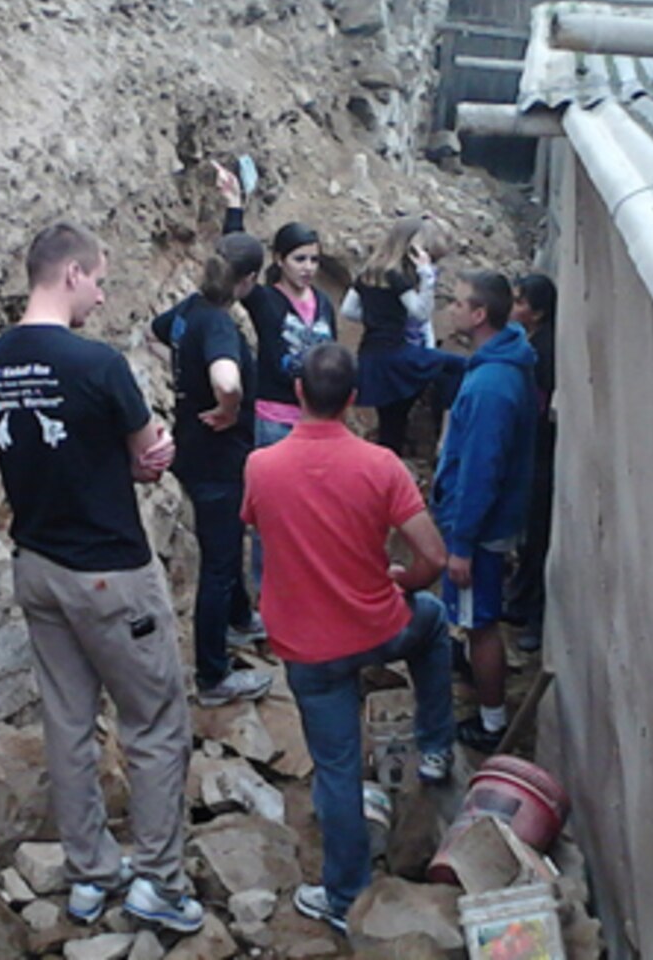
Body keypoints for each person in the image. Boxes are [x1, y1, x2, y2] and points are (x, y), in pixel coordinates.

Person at [0, 223, 205, 933]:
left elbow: (47, 455)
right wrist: (150, 459)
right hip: (108, 570)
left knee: (69, 724)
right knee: (156, 723)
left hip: (36, 565)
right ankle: (160, 883)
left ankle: (89, 877)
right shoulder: (98, 364)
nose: (102, 296)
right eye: (99, 279)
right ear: (69, 273)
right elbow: (147, 454)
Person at [241, 343, 455, 933]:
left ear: (300, 395)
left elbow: (257, 524)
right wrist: (403, 580)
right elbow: (432, 555)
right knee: (432, 623)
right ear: (354, 400)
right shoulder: (382, 465)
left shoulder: (262, 466)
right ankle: (435, 745)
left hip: (307, 646)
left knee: (335, 769)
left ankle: (344, 897)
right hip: (378, 627)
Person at [151, 232, 276, 707]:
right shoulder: (220, 325)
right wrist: (228, 405)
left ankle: (241, 621)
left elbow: (156, 332)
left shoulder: (188, 309)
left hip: (193, 450)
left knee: (229, 541)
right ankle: (212, 676)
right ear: (248, 280)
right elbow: (227, 378)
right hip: (218, 459)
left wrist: (186, 375)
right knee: (220, 563)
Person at [214, 161, 338, 602]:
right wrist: (234, 208)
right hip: (272, 418)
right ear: (281, 260)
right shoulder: (265, 301)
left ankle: (306, 591)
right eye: (300, 259)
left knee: (313, 514)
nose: (308, 268)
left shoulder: (323, 304)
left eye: (314, 260)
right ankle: (268, 598)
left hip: (313, 421)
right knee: (270, 516)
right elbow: (232, 266)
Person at [433, 271, 537, 752]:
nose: (450, 309)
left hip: (481, 531)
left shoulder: (491, 387)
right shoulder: (502, 364)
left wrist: (461, 543)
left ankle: (491, 722)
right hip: (489, 524)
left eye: (457, 303)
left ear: (479, 316)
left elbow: (481, 472)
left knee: (479, 624)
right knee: (478, 619)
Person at [342, 218, 466, 455]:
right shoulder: (398, 277)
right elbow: (420, 314)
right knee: (457, 366)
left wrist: (375, 318)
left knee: (391, 426)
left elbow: (348, 310)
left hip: (370, 358)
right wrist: (427, 275)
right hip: (397, 356)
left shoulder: (367, 274)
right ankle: (446, 436)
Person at [507, 273, 557, 653]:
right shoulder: (535, 344)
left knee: (537, 535)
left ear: (537, 313)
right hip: (534, 454)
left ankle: (535, 618)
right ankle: (521, 602)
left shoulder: (543, 352)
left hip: (542, 456)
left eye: (521, 302)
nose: (514, 308)